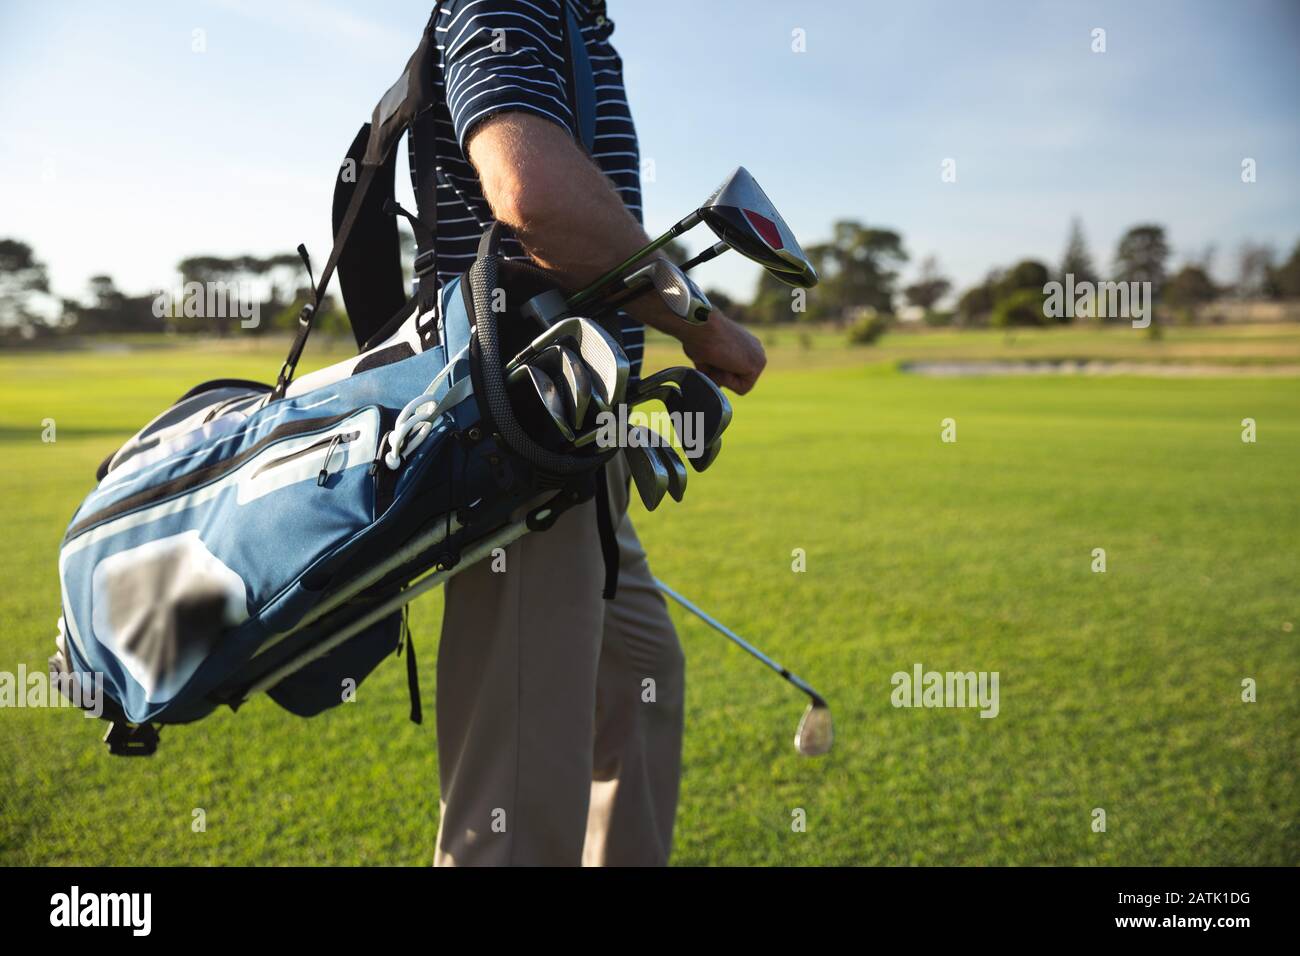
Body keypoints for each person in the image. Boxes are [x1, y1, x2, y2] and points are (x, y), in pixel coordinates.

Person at [425, 0, 766, 866]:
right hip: (522, 440)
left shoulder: (576, 22)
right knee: (517, 804)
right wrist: (699, 323)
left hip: (586, 441)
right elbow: (531, 192)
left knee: (642, 690)